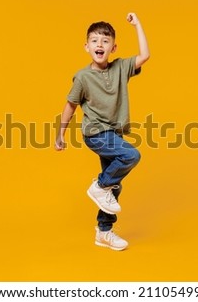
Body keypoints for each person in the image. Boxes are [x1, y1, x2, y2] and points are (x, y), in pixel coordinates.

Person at [55, 13, 150, 251]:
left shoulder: (120, 67)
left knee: (115, 185)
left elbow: (145, 55)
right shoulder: (83, 77)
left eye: (105, 41)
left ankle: (104, 232)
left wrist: (137, 24)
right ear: (87, 46)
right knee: (131, 156)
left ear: (113, 47)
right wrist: (60, 134)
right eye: (95, 41)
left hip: (114, 134)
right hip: (95, 133)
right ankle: (98, 186)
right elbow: (70, 106)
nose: (100, 44)